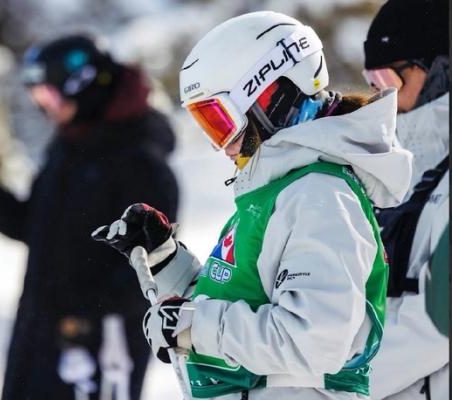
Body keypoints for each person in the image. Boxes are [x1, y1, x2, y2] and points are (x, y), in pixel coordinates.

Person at [94, 11, 413, 400]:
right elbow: (236, 303)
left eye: (220, 122)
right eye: (207, 126)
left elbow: (315, 340)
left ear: (271, 97)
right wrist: (165, 260)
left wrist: (195, 327)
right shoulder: (280, 191)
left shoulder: (320, 197)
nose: (221, 146)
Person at [0, 34, 179, 400]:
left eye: (50, 97)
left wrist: (82, 310)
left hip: (99, 346)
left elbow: (151, 270)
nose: (46, 110)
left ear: (84, 86)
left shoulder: (141, 163)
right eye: (38, 99)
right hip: (40, 333)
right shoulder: (69, 147)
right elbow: (36, 226)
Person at [362, 0, 449, 398]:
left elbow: (435, 325)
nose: (381, 98)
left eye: (388, 78)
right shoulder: (404, 178)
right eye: (372, 81)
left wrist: (323, 387)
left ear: (441, 69)